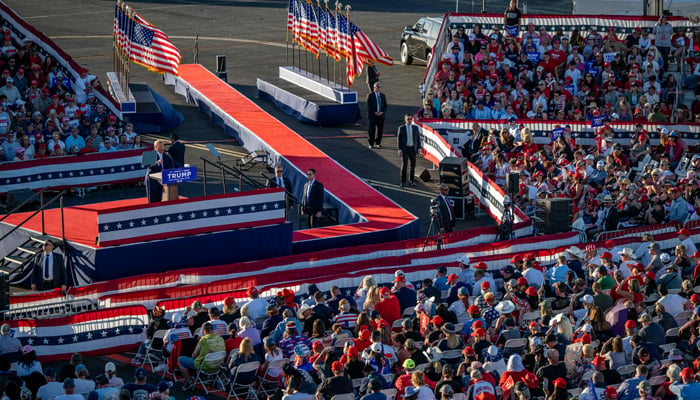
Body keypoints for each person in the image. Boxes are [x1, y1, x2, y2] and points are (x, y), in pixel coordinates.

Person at [177, 322, 226, 390]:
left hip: (204, 367)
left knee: (180, 359)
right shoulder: (220, 338)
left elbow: (194, 355)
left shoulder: (203, 339)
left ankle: (188, 381)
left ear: (204, 331)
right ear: (212, 329)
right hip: (217, 366)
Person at [145, 139, 175, 203]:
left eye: (163, 146)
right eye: (160, 146)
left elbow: (171, 164)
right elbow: (147, 165)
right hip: (153, 179)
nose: (162, 148)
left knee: (162, 195)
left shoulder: (166, 155)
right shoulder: (150, 154)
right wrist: (156, 163)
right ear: (155, 147)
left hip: (163, 178)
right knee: (154, 197)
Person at [397, 114, 421, 188]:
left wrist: (419, 149)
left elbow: (418, 139)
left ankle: (411, 180)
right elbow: (399, 140)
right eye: (408, 119)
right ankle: (402, 181)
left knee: (413, 166)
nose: (409, 121)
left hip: (413, 149)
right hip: (405, 149)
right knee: (404, 165)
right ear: (405, 120)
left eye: (410, 119)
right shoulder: (401, 128)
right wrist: (399, 149)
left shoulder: (415, 128)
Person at [367, 82, 387, 149]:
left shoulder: (383, 96)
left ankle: (378, 143)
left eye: (379, 87)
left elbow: (385, 106)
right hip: (373, 116)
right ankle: (371, 143)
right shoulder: (370, 95)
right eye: (377, 87)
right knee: (371, 130)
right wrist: (374, 112)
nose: (378, 88)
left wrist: (382, 112)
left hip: (381, 116)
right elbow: (368, 106)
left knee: (380, 130)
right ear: (374, 88)